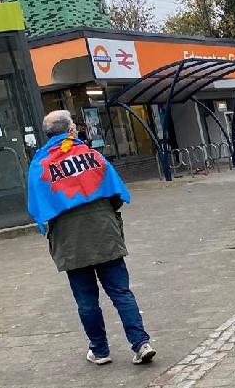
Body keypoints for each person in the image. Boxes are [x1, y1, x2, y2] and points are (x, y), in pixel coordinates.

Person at [27, 110, 156, 366]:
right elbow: (115, 192)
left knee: (86, 300)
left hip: (69, 240)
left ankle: (100, 350)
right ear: (70, 130)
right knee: (120, 292)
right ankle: (140, 344)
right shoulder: (90, 154)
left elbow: (38, 205)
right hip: (104, 232)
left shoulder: (39, 164)